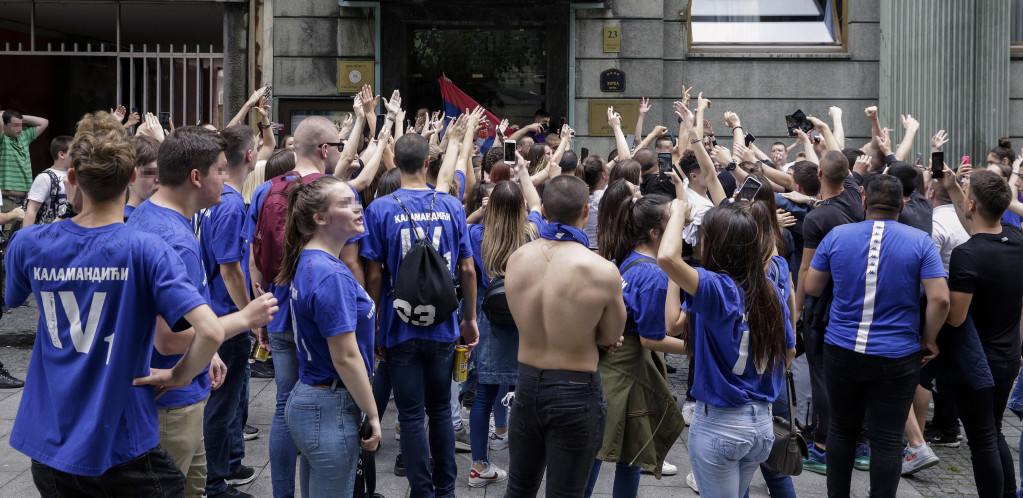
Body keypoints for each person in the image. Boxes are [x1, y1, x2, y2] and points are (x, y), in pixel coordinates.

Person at [5, 111, 244, 497]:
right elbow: (211, 329)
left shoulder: (28, 244)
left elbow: (12, 298)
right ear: (133, 177)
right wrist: (179, 377)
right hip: (121, 437)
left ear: (71, 177)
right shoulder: (147, 249)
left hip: (47, 436)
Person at [128, 126, 278, 498]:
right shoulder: (174, 240)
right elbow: (169, 338)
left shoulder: (152, 214)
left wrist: (206, 354)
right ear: (196, 177)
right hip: (169, 403)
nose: (226, 180)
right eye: (221, 170)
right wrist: (245, 318)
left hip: (175, 392)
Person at [804, 174, 949, 498]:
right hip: (897, 355)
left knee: (842, 431)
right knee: (886, 439)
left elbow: (812, 286)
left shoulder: (838, 236)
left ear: (864, 201)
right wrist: (929, 338)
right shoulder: (920, 241)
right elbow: (940, 298)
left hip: (843, 349)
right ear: (901, 204)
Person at [361, 131, 478, 498]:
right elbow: (469, 269)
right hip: (443, 324)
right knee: (441, 410)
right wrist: (469, 318)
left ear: (394, 163)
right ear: (428, 163)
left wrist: (376, 326)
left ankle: (422, 491)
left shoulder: (379, 209)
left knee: (410, 415)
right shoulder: (451, 205)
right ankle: (446, 489)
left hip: (399, 326)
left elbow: (375, 274)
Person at [658, 198, 795, 498]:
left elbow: (667, 258)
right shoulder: (768, 289)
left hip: (720, 423)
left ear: (716, 244)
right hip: (761, 423)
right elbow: (789, 350)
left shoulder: (716, 287)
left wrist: (678, 215)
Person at [503, 174, 626, 497]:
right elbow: (612, 336)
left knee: (518, 488)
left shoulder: (517, 260)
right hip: (576, 390)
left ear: (543, 210)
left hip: (527, 384)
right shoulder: (601, 271)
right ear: (586, 211)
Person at [276, 176, 382, 496]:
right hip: (328, 405)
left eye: (356, 200)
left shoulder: (311, 259)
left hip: (316, 400)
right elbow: (345, 355)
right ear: (320, 218)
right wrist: (374, 414)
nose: (358, 208)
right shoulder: (329, 273)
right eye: (345, 203)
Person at [583, 181, 686, 497]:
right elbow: (652, 338)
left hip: (615, 370)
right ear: (656, 233)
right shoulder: (654, 275)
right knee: (619, 455)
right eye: (672, 222)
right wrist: (695, 349)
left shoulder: (631, 259)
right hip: (627, 373)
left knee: (617, 453)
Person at [939, 168, 1023, 497]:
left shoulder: (967, 254)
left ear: (972, 205)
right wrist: (955, 187)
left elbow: (956, 318)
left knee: (982, 438)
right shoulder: (1017, 241)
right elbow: (976, 225)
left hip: (977, 362)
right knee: (993, 431)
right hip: (1008, 356)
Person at [467, 162, 542, 487]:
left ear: (491, 207)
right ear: (520, 208)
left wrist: (478, 213)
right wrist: (523, 173)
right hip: (526, 323)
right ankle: (526, 461)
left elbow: (462, 225)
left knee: (483, 395)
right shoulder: (532, 233)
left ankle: (479, 464)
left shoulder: (476, 234)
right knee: (525, 393)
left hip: (489, 325)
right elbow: (538, 204)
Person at [196, 125, 261, 498]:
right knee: (222, 403)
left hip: (220, 312)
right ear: (250, 156)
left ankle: (231, 462)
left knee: (233, 398)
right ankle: (214, 480)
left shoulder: (221, 199)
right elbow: (230, 267)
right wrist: (248, 314)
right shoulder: (231, 202)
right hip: (225, 316)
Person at [794, 150, 866, 475]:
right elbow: (840, 166)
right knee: (853, 375)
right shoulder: (854, 197)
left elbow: (807, 271)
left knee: (821, 374)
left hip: (822, 304)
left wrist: (796, 308)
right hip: (853, 299)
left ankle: (822, 445)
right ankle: (860, 443)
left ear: (819, 176)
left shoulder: (817, 218)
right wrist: (826, 128)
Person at [0, 109, 49, 237]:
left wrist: (19, 118)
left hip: (27, 201)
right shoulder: (2, 139)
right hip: (8, 201)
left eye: (21, 125)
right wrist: (4, 114)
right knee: (6, 242)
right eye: (15, 125)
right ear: (5, 125)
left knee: (22, 240)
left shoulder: (24, 137)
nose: (19, 129)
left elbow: (44, 123)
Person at [23, 135, 73, 226]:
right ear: (61, 154)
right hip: (50, 234)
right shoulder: (45, 177)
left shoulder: (77, 175)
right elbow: (32, 210)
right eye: (74, 152)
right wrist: (25, 237)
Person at [125, 135, 161, 219]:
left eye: (162, 172)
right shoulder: (124, 221)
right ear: (130, 176)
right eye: (150, 172)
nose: (158, 179)